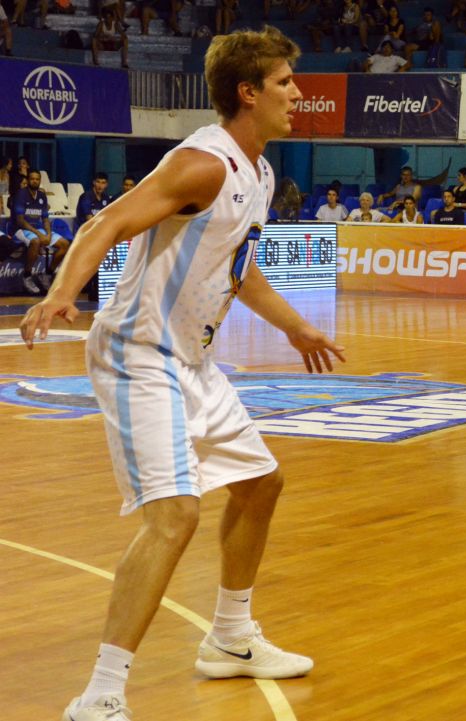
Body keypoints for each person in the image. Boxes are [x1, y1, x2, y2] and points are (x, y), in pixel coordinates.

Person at [20, 26, 347, 721]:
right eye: (286, 82)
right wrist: (61, 293)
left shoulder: (259, 173)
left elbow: (238, 268)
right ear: (248, 92)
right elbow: (104, 224)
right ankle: (99, 695)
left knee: (260, 484)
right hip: (139, 353)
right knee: (175, 516)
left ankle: (230, 637)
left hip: (192, 359)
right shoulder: (203, 162)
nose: (298, 93)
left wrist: (295, 325)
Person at [13, 170, 70, 293]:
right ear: (28, 180)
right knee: (35, 241)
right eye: (32, 179)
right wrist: (39, 234)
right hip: (21, 230)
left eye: (37, 179)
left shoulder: (42, 196)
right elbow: (20, 221)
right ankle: (27, 276)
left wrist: (48, 234)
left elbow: (45, 219)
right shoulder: (21, 194)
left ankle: (47, 274)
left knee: (64, 244)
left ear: (40, 181)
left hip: (38, 229)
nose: (35, 181)